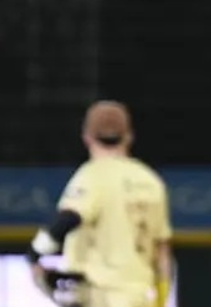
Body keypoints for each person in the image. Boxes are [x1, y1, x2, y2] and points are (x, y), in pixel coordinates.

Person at [28, 101, 174, 307]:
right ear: (128, 136)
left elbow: (67, 220)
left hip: (101, 296)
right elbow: (163, 255)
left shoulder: (92, 175)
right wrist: (160, 299)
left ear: (87, 137)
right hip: (140, 296)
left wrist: (35, 253)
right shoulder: (151, 181)